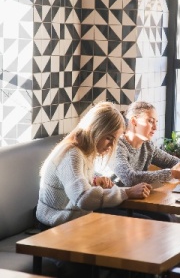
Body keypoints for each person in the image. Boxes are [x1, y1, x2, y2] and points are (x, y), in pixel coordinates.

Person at [36, 101, 152, 277]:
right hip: (55, 227)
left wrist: (95, 182)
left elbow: (77, 187)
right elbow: (83, 198)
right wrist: (126, 192)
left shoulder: (84, 151)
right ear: (96, 129)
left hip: (76, 222)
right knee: (132, 250)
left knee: (139, 240)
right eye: (109, 138)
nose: (111, 146)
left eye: (115, 140)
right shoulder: (72, 154)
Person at [110, 101, 180, 221]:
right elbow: (130, 178)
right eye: (150, 121)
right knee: (165, 219)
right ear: (133, 121)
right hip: (114, 203)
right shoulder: (117, 146)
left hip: (134, 201)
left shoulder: (147, 145)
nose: (155, 127)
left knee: (167, 216)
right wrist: (173, 173)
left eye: (156, 122)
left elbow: (171, 161)